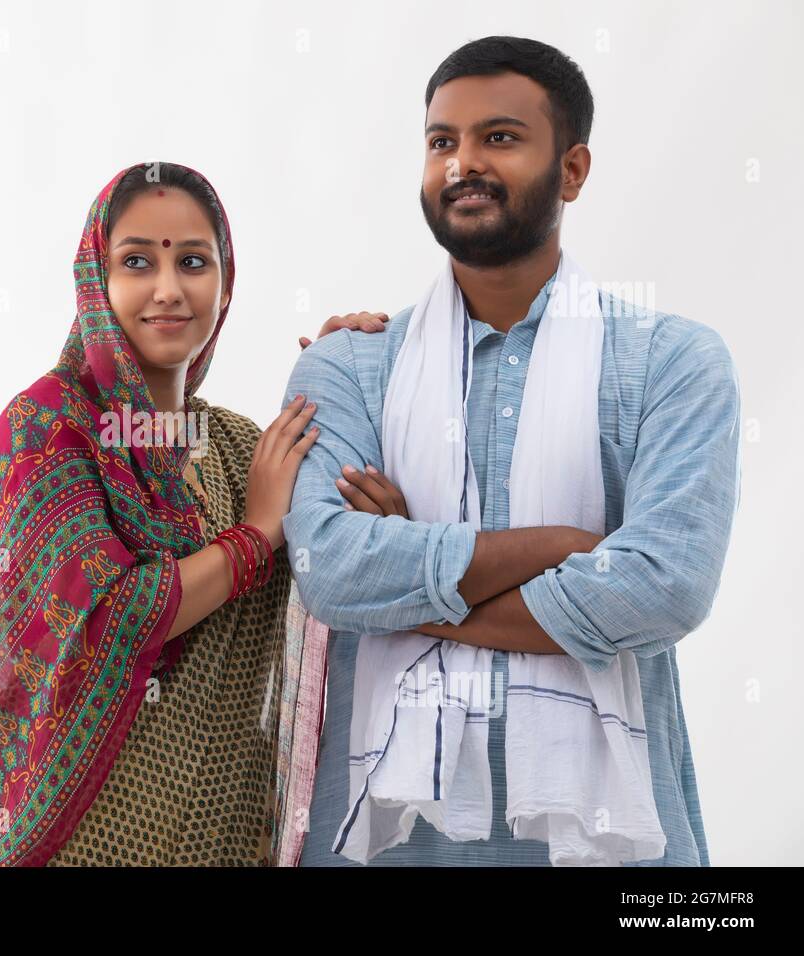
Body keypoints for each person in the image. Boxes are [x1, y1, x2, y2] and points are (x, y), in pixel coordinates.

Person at [283, 36, 740, 866]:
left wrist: (406, 576)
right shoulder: (348, 364)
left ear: (572, 171)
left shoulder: (673, 362)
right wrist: (560, 549)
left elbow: (664, 586)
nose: (463, 163)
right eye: (441, 141)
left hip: (617, 846)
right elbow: (329, 567)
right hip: (385, 843)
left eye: (498, 137)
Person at [0, 161, 389, 866]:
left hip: (226, 836)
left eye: (193, 262)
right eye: (138, 261)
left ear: (225, 281)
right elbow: (107, 615)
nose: (169, 289)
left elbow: (341, 568)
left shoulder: (243, 449)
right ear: (97, 279)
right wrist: (255, 536)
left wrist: (346, 380)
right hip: (80, 841)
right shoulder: (48, 428)